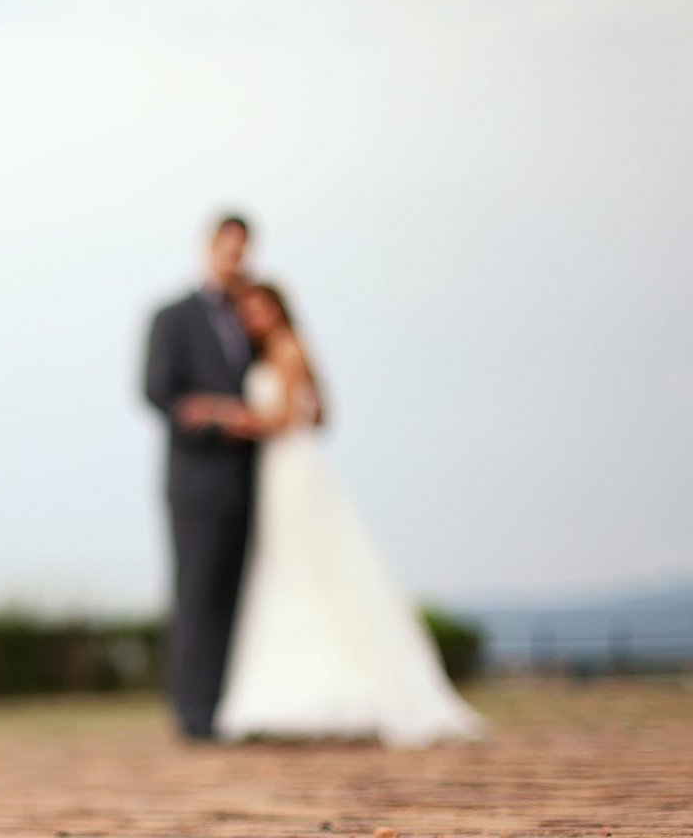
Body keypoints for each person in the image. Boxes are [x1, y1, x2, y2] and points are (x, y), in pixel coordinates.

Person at [195, 283, 482, 747]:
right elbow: (319, 412)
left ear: (278, 309)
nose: (252, 318)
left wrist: (223, 415)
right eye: (246, 311)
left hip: (292, 468)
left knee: (306, 567)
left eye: (259, 308)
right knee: (290, 570)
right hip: (281, 470)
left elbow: (287, 417)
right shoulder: (273, 353)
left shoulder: (287, 348)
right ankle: (291, 692)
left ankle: (325, 694)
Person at [142, 215, 259, 739]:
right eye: (227, 249)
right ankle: (192, 712)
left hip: (251, 478)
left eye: (243, 250)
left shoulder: (252, 316)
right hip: (196, 478)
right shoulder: (172, 316)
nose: (235, 259)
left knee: (238, 592)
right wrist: (218, 417)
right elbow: (157, 391)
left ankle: (227, 703)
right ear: (207, 249)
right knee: (196, 592)